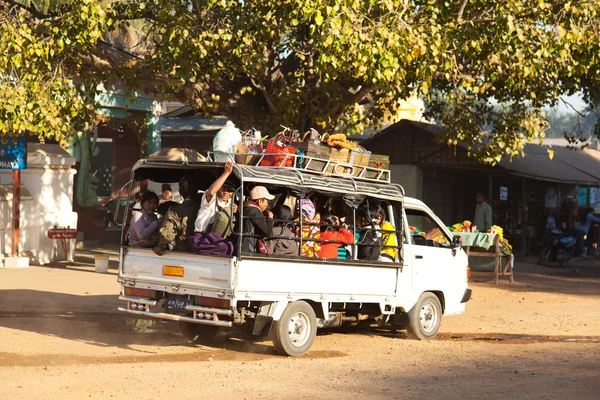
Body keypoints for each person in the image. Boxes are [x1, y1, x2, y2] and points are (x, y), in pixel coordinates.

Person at [153, 176, 199, 256]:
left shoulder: (174, 210)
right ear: (196, 192)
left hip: (181, 252)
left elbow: (167, 236)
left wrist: (160, 247)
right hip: (201, 251)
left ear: (180, 192)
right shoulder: (203, 208)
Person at [194, 162, 237, 233]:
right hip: (201, 237)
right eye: (223, 189)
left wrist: (235, 209)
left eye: (229, 190)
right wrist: (226, 173)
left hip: (217, 239)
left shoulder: (230, 202)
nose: (225, 192)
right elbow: (211, 192)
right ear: (219, 188)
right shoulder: (212, 198)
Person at [240, 186, 275, 253]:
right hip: (247, 248)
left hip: (243, 246)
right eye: (266, 201)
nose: (267, 205)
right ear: (260, 201)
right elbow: (267, 231)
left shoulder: (246, 208)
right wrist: (270, 219)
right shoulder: (255, 211)